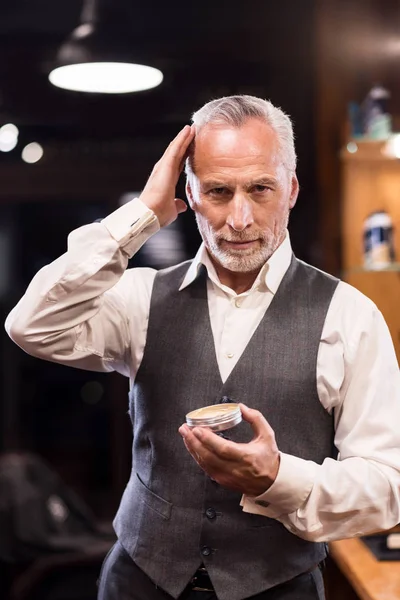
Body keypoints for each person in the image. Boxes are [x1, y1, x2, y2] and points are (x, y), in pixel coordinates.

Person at [5, 95, 400, 600]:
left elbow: (387, 487)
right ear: (187, 193)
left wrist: (278, 478)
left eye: (260, 189)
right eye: (217, 191)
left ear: (292, 189)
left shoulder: (351, 314)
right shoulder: (140, 299)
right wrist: (141, 216)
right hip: (136, 583)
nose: (238, 218)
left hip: (280, 588)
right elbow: (31, 325)